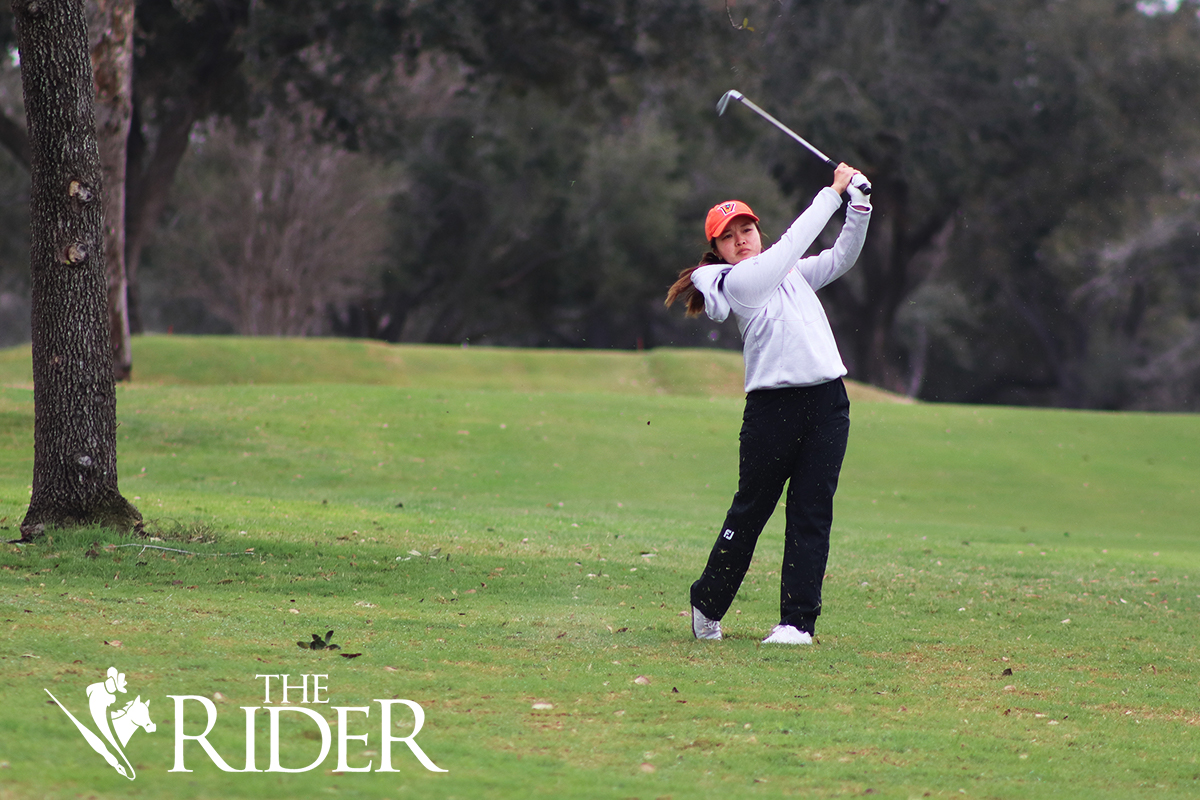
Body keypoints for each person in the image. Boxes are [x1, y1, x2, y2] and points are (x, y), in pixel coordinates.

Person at [665, 163, 872, 644]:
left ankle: (797, 623)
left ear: (758, 231)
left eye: (747, 229)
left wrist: (859, 205)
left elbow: (840, 257)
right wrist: (833, 191)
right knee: (752, 510)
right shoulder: (741, 285)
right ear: (715, 249)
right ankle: (707, 603)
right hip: (772, 411)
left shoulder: (793, 274)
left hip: (827, 403)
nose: (741, 240)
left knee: (811, 511)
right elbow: (792, 245)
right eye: (728, 236)